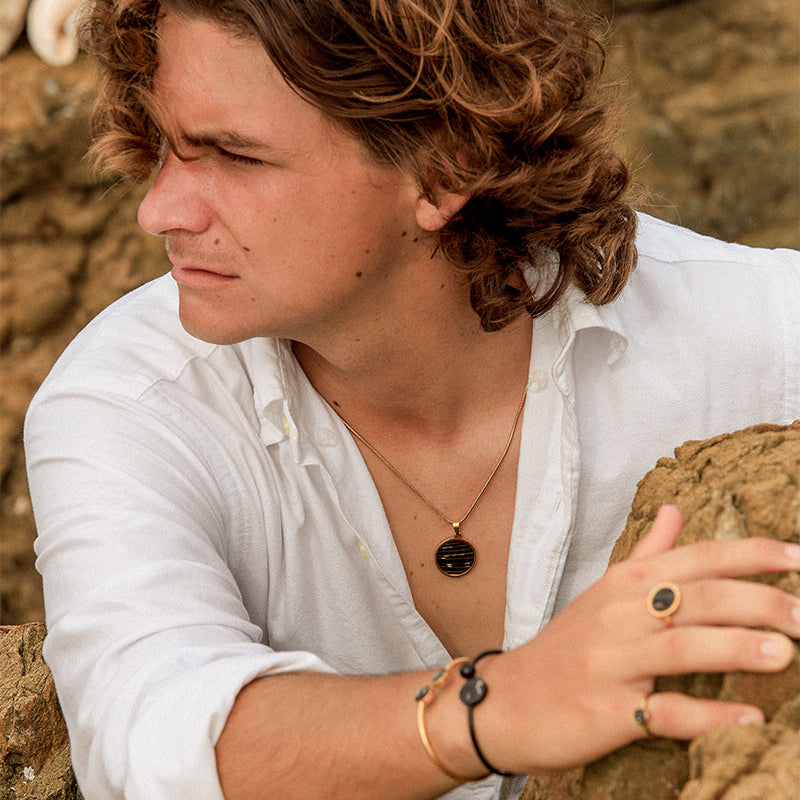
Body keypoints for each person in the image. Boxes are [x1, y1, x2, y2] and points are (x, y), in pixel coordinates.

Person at [24, 1, 800, 799]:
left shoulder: (763, 339)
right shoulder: (128, 404)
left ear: (446, 166)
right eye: (165, 146)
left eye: (232, 155)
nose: (160, 209)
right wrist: (496, 708)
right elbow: (150, 740)